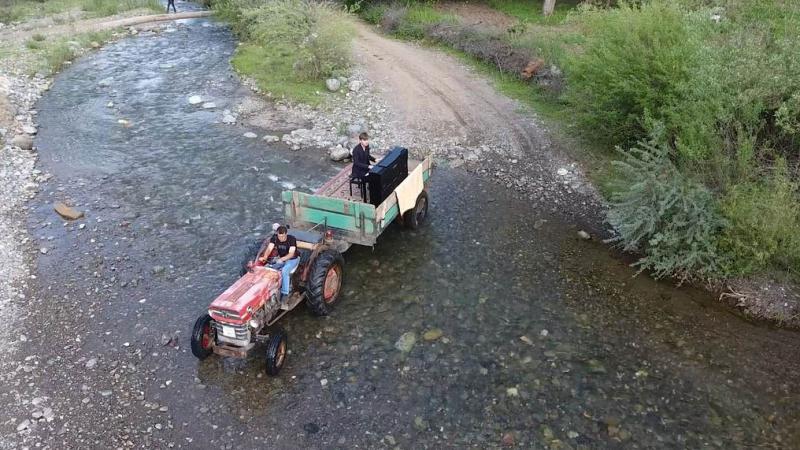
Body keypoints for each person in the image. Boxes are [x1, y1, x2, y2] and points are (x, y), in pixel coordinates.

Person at [258, 225, 299, 303]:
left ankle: (285, 293)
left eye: (282, 236)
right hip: (281, 259)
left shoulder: (292, 239)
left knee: (284, 271)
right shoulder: (275, 238)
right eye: (279, 236)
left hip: (292, 259)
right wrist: (265, 256)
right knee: (270, 268)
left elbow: (291, 254)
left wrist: (281, 259)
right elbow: (269, 248)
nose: (280, 238)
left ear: (286, 234)